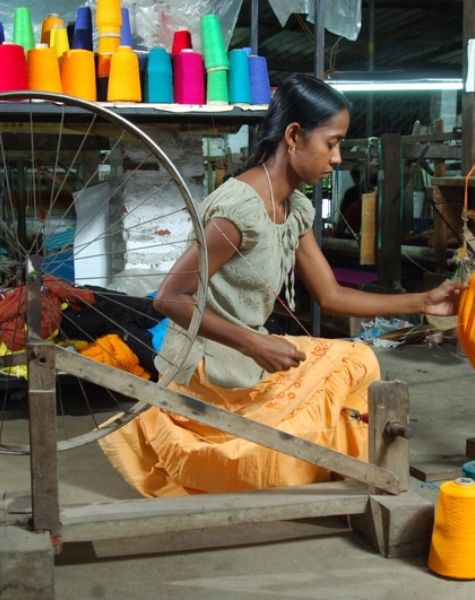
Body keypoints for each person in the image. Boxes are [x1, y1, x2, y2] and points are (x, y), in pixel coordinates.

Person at [99, 74, 465, 498]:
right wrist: (254, 344)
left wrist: (424, 300)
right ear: (294, 136)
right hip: (210, 368)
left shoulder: (294, 206)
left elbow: (332, 296)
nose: (338, 158)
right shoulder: (239, 211)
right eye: (332, 143)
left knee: (360, 360)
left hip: (246, 354)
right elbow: (170, 298)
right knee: (309, 415)